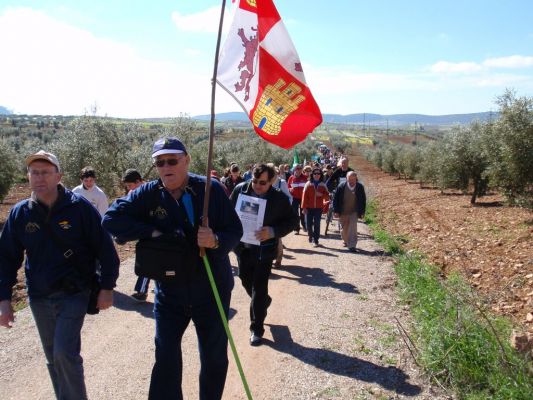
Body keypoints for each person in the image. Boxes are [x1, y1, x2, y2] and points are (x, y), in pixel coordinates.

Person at [102, 137, 243, 400]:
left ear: (187, 160)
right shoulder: (148, 193)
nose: (166, 166)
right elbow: (111, 219)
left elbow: (236, 230)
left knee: (213, 357)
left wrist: (215, 240)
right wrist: (152, 232)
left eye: (172, 160)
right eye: (159, 162)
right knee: (165, 355)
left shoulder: (211, 189)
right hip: (169, 291)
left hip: (211, 288)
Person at [0, 150, 119, 400]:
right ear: (28, 177)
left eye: (45, 172)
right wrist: (4, 299)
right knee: (53, 356)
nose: (39, 178)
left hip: (74, 292)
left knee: (64, 353)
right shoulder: (21, 213)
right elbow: (7, 259)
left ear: (58, 176)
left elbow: (105, 249)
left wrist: (107, 287)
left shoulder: (80, 209)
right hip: (39, 295)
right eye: (34, 173)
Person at [230, 164, 298, 346]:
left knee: (259, 289)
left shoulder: (279, 199)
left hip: (264, 251)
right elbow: (228, 214)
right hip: (243, 248)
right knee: (245, 281)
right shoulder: (239, 190)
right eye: (254, 181)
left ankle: (256, 329)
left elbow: (293, 221)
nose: (257, 186)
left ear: (272, 182)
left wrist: (274, 231)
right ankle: (264, 302)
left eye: (262, 183)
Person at [121, 169, 152, 302]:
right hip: (143, 231)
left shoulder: (151, 192)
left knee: (148, 262)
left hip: (151, 232)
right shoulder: (134, 193)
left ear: (138, 181)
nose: (129, 189)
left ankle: (142, 291)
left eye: (130, 185)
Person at [332, 171, 366, 252]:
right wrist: (336, 211)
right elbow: (335, 199)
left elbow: (363, 200)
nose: (351, 181)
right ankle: (346, 240)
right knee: (344, 230)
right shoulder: (341, 186)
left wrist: (362, 212)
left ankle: (352, 246)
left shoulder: (359, 187)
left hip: (354, 211)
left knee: (353, 227)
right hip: (342, 211)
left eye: (353, 180)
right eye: (349, 179)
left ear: (356, 179)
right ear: (346, 179)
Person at [301, 168, 330, 247]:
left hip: (318, 208)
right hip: (309, 208)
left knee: (317, 224)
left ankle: (316, 239)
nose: (317, 175)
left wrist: (321, 195)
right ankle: (311, 236)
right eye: (315, 174)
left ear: (320, 175)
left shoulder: (323, 185)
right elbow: (304, 196)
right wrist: (304, 207)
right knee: (309, 225)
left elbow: (327, 196)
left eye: (318, 174)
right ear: (312, 175)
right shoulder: (308, 184)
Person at [270, 165, 292, 268]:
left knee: (276, 237)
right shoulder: (266, 182)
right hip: (267, 214)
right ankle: (268, 260)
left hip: (278, 214)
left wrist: (284, 209)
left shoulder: (281, 183)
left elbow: (288, 198)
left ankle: (278, 258)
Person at [287, 164, 307, 234]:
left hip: (303, 198)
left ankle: (304, 226)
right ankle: (296, 229)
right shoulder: (291, 178)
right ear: (294, 170)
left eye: (300, 169)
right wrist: (290, 189)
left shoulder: (305, 177)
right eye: (297, 169)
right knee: (295, 213)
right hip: (294, 198)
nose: (298, 170)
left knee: (303, 213)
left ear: (302, 170)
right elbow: (288, 187)